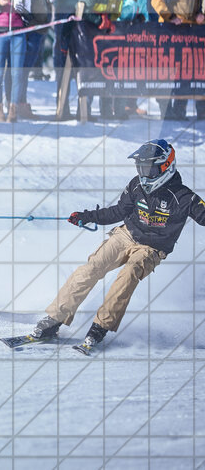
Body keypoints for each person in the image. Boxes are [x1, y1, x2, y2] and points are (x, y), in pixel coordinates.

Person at [30, 139, 205, 354]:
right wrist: (87, 217)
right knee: (90, 269)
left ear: (165, 166)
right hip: (126, 235)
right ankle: (54, 320)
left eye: (149, 168)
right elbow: (117, 212)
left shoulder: (184, 197)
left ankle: (99, 328)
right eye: (140, 167)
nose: (144, 173)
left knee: (127, 276)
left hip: (151, 249)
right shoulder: (135, 185)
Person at [151, 0, 205, 121]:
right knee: (169, 74)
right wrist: (170, 16)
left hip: (190, 38)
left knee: (189, 74)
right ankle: (167, 111)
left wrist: (200, 16)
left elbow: (197, 12)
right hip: (171, 35)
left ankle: (181, 111)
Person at [50, 0, 95, 118]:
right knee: (62, 62)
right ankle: (62, 108)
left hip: (81, 14)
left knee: (83, 62)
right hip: (63, 13)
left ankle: (83, 109)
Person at [75, 0, 124, 120]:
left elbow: (118, 12)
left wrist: (112, 21)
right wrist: (98, 20)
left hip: (108, 35)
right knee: (90, 70)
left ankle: (106, 108)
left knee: (109, 69)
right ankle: (84, 109)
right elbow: (82, 9)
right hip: (88, 33)